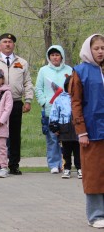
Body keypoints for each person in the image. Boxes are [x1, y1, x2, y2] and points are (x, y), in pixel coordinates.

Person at [0, 33, 34, 175]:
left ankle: (13, 164)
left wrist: (28, 100)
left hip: (14, 102)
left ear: (14, 44)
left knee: (14, 134)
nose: (7, 44)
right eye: (4, 42)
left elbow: (27, 82)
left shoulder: (22, 62)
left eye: (10, 42)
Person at [69, 34, 104, 229]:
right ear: (88, 50)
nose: (100, 51)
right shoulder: (80, 71)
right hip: (91, 131)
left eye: (103, 48)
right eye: (97, 48)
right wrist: (81, 131)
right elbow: (75, 103)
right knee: (94, 173)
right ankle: (96, 215)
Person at [35, 45, 72, 174]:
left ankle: (65, 163)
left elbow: (73, 87)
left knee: (66, 138)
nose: (55, 57)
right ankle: (53, 164)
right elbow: (38, 89)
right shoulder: (43, 70)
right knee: (52, 138)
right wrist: (44, 102)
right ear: (49, 57)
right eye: (52, 55)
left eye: (57, 55)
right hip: (50, 110)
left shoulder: (70, 70)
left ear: (62, 56)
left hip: (66, 112)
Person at [50, 77, 81, 179]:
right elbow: (54, 113)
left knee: (78, 151)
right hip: (64, 129)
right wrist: (54, 126)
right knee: (66, 151)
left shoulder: (81, 98)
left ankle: (79, 168)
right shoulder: (59, 99)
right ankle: (66, 168)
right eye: (70, 86)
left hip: (77, 129)